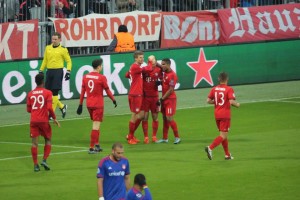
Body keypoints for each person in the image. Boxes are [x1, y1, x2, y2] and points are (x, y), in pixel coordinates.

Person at [76, 59, 117, 154]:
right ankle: (91, 148)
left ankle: (97, 144)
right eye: (101, 66)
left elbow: (83, 92)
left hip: (89, 104)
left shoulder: (85, 76)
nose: (102, 67)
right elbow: (107, 90)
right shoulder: (101, 78)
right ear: (98, 67)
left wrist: (80, 104)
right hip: (98, 105)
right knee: (95, 126)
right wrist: (113, 100)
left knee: (96, 125)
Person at [26, 73, 60, 172]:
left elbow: (28, 109)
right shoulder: (48, 93)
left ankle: (36, 165)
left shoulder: (30, 94)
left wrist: (36, 111)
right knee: (48, 139)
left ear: (35, 82)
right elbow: (49, 107)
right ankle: (44, 160)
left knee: (34, 143)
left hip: (34, 121)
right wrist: (54, 118)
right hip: (44, 121)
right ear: (43, 81)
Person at [205, 72, 240, 160]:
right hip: (225, 115)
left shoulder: (214, 89)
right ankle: (210, 148)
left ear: (219, 79)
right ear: (227, 79)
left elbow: (208, 101)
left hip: (217, 114)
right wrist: (237, 104)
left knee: (223, 135)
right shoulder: (229, 89)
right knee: (223, 136)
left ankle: (227, 155)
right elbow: (231, 102)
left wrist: (216, 102)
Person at [39, 32, 72, 119]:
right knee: (49, 94)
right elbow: (45, 60)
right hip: (49, 71)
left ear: (59, 39)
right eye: (52, 39)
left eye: (55, 39)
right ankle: (62, 106)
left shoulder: (63, 49)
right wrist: (41, 70)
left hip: (58, 71)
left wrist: (68, 71)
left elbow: (69, 61)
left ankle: (51, 114)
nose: (53, 41)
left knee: (55, 92)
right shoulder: (48, 48)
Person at [126, 51, 155, 145]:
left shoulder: (135, 67)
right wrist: (150, 61)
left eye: (143, 57)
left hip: (138, 94)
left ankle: (131, 134)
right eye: (140, 58)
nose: (142, 59)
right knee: (134, 115)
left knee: (141, 115)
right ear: (135, 58)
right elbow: (149, 69)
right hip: (135, 94)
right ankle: (130, 137)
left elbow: (127, 75)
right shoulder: (135, 67)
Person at [156, 58, 181, 144]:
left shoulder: (172, 75)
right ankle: (165, 138)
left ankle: (177, 137)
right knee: (164, 118)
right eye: (161, 64)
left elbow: (170, 90)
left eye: (163, 64)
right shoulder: (165, 72)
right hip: (164, 99)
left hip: (170, 99)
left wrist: (161, 99)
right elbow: (159, 66)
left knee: (169, 118)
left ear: (168, 65)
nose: (162, 66)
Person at [141, 56, 162, 143]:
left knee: (155, 117)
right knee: (145, 117)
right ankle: (146, 137)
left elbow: (164, 75)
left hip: (154, 97)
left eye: (153, 59)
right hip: (145, 97)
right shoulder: (144, 70)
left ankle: (154, 136)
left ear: (156, 61)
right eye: (150, 60)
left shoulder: (159, 69)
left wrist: (160, 82)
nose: (152, 61)